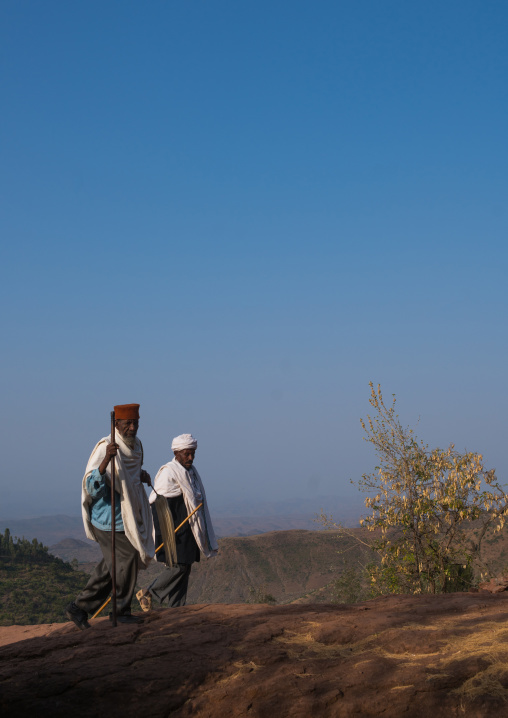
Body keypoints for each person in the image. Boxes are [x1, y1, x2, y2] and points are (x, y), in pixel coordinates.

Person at [65, 403, 155, 629]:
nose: (132, 427)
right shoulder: (106, 447)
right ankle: (121, 610)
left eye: (136, 423)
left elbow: (129, 475)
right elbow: (90, 486)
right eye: (128, 423)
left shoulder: (137, 446)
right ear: (117, 424)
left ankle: (79, 608)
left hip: (128, 516)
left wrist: (141, 475)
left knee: (111, 566)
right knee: (128, 559)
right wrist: (106, 460)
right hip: (107, 520)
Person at [136, 433, 218, 611]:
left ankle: (177, 609)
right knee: (178, 567)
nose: (190, 458)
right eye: (186, 454)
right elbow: (158, 505)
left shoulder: (191, 472)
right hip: (173, 529)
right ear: (176, 453)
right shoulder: (169, 472)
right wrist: (166, 533)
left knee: (185, 567)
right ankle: (149, 592)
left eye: (192, 453)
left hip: (188, 526)